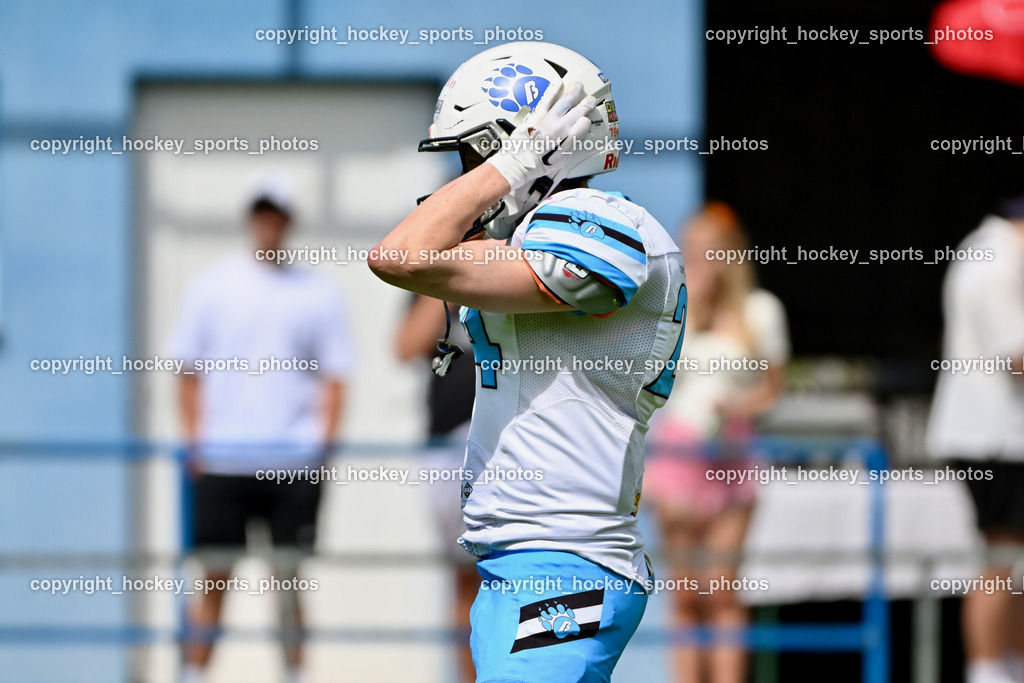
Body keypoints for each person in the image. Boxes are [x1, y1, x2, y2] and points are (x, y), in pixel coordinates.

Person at [369, 41, 686, 683]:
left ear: (527, 145)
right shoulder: (539, 232)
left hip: (565, 561)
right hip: (521, 559)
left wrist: (514, 162)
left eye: (471, 154)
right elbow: (407, 256)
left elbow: (398, 256)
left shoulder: (601, 221)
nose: (465, 177)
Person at [168, 172, 355, 683]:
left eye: (276, 213)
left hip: (292, 464)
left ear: (288, 221)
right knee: (212, 577)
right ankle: (194, 675)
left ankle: (294, 674)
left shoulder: (317, 293)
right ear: (251, 219)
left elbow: (336, 377)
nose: (268, 223)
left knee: (290, 580)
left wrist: (321, 450)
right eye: (261, 212)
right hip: (223, 461)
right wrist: (195, 444)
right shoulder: (211, 286)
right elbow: (186, 371)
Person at [644, 203, 789, 683]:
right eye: (693, 252)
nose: (700, 261)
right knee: (685, 592)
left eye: (710, 252)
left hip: (733, 456)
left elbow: (772, 387)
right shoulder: (674, 309)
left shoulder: (761, 312)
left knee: (722, 589)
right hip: (677, 457)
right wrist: (692, 306)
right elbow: (650, 376)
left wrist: (739, 408)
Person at [926, 197, 1024, 683]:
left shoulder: (987, 254)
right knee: (1001, 557)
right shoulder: (995, 262)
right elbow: (1017, 354)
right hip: (993, 440)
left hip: (995, 437)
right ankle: (989, 670)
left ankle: (1005, 664)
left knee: (1008, 558)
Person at [396, 295, 479, 682]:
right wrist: (453, 266)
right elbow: (407, 346)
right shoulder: (435, 272)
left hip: (517, 442)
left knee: (518, 573)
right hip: (449, 446)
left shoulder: (519, 253)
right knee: (466, 578)